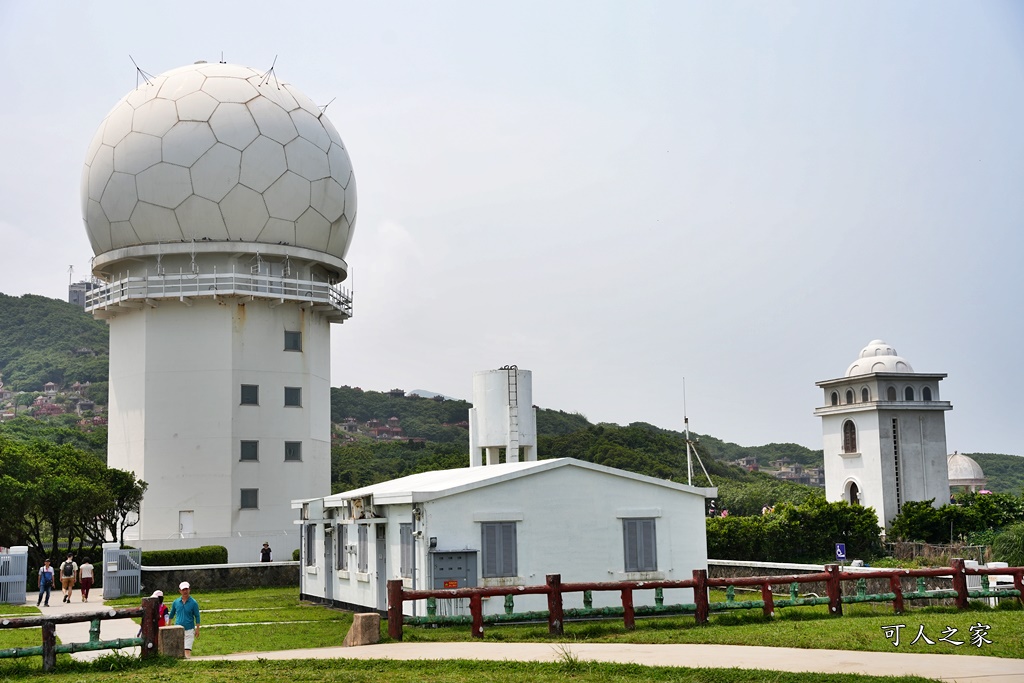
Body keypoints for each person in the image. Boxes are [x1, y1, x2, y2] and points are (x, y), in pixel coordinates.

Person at [167, 581, 200, 657]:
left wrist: (197, 629)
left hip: (189, 629)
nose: (185, 591)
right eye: (183, 590)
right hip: (178, 629)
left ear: (189, 590)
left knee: (187, 650)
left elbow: (197, 616)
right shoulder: (176, 602)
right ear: (180, 591)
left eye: (186, 589)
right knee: (178, 651)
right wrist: (169, 625)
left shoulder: (194, 603)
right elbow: (171, 614)